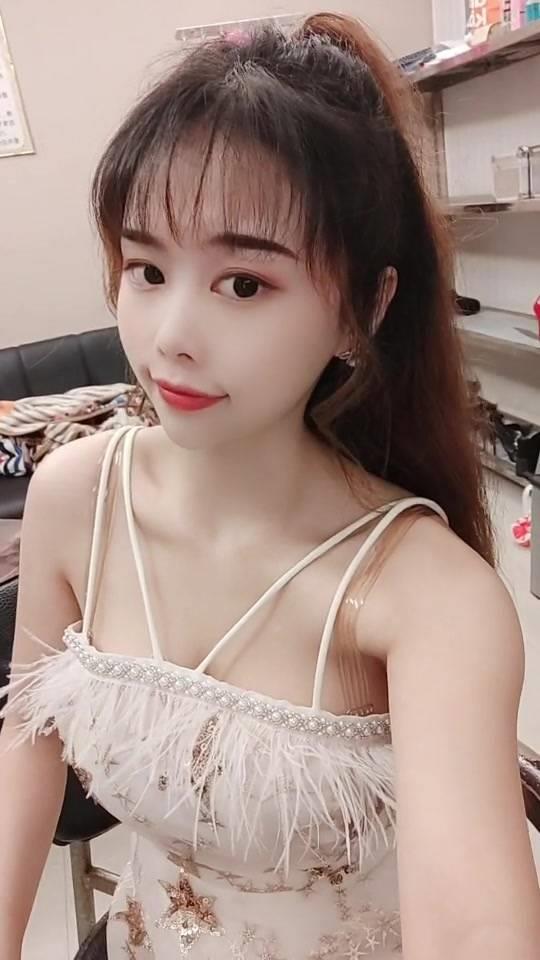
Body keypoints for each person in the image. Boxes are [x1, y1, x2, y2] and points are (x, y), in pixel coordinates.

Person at [1, 12, 539, 960]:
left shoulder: (425, 594)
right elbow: (26, 748)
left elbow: (473, 926)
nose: (170, 334)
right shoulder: (76, 495)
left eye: (244, 283)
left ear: (364, 307)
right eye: (146, 267)